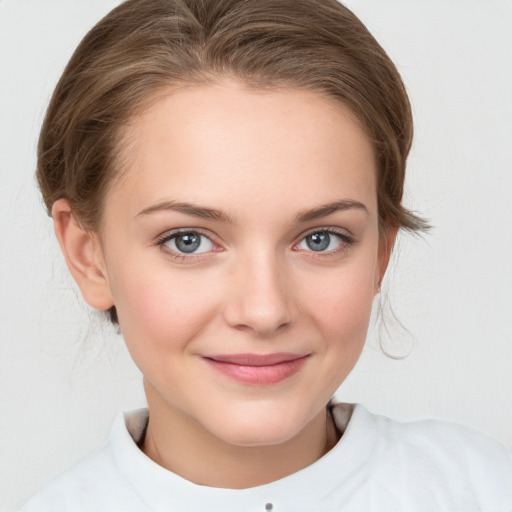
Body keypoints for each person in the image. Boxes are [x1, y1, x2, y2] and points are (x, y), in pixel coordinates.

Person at [21, 0, 512, 510]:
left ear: (380, 254)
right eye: (188, 240)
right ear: (88, 255)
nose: (264, 310)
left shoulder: (484, 490)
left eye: (321, 239)